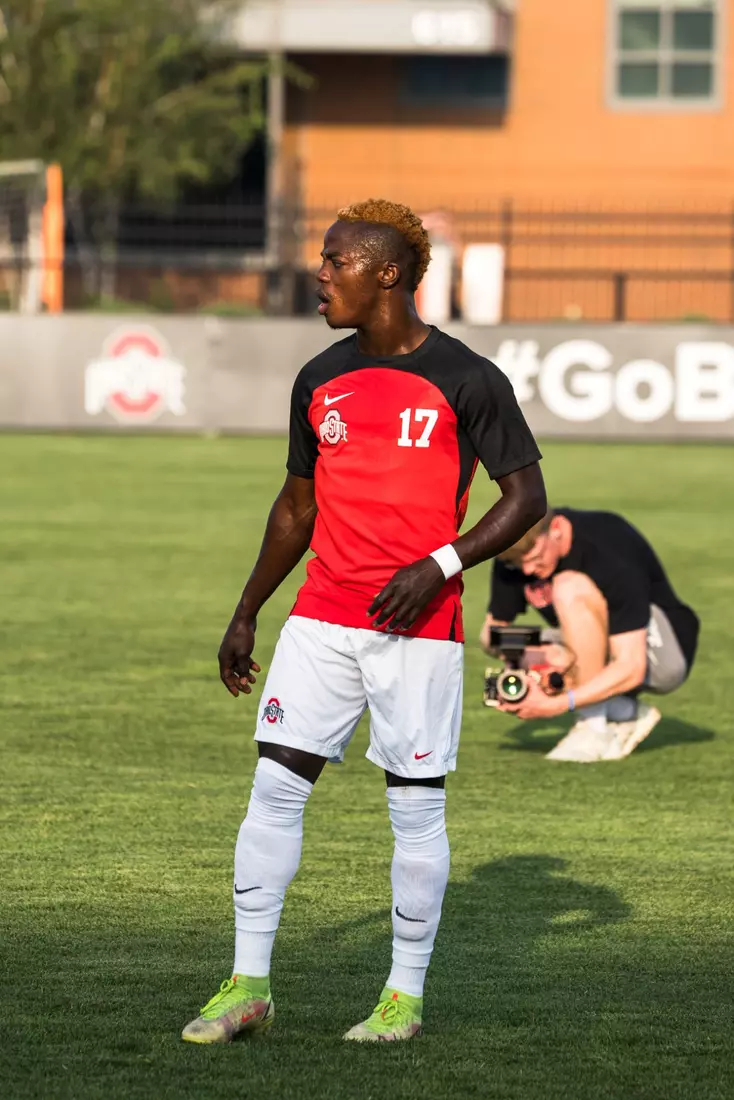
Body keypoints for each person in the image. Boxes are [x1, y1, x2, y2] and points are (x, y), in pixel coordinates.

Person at [181, 198, 546, 1045]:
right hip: (320, 620)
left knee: (414, 810)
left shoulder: (468, 377)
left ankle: (402, 999)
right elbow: (295, 507)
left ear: (388, 273)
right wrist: (247, 612)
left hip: (418, 630)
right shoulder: (318, 378)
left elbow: (525, 499)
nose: (321, 273)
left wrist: (441, 564)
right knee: (273, 790)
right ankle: (246, 986)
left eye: (336, 260)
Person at [480, 507, 699, 762]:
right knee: (539, 646)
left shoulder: (608, 543)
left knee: (568, 587)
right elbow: (490, 635)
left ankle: (593, 728)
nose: (527, 570)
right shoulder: (514, 555)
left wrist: (556, 705)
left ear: (558, 529)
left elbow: (632, 666)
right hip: (606, 641)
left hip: (663, 653)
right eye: (517, 564)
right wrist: (530, 652)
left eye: (536, 556)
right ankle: (624, 711)